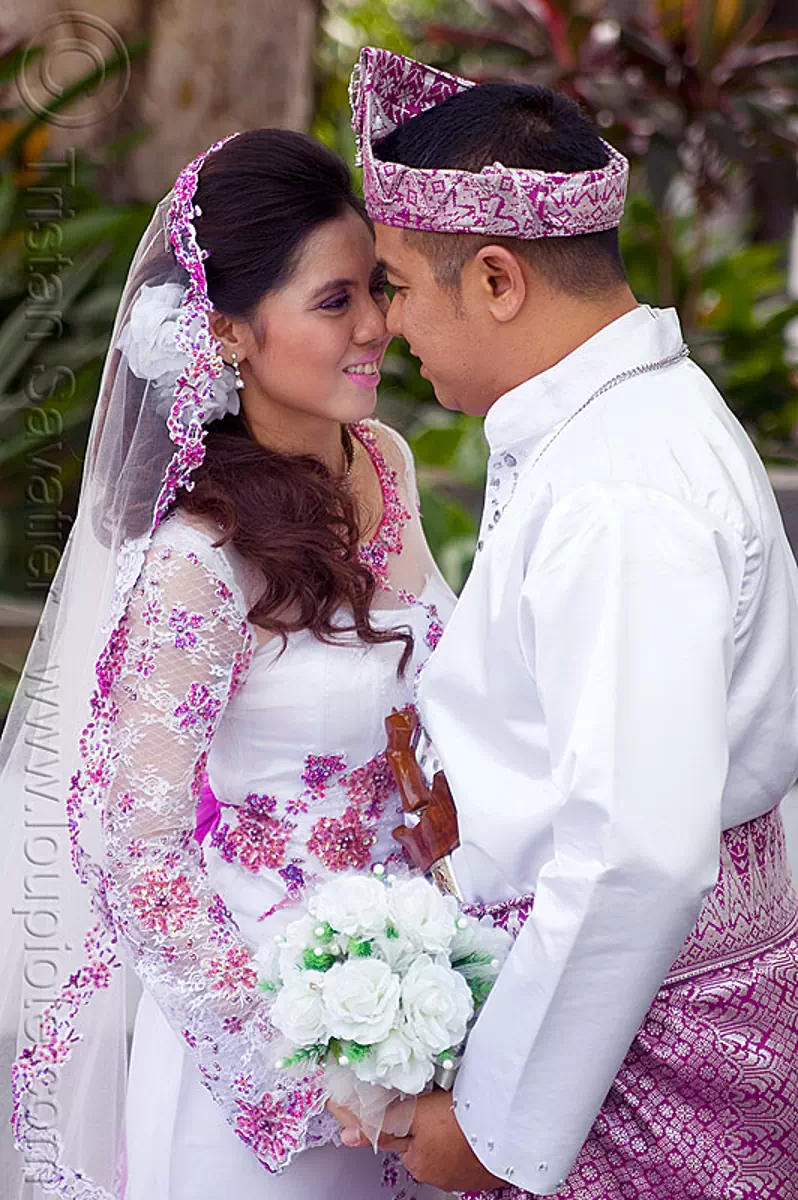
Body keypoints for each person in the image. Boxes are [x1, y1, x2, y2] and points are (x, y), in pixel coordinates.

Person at [338, 47, 798, 1199]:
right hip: (629, 1005)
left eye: (396, 283)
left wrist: (495, 1130)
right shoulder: (608, 428)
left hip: (644, 1046)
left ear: (497, 280)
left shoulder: (618, 488)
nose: (387, 326)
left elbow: (632, 856)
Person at [1, 127, 454, 1200]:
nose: (377, 327)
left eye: (377, 292)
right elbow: (137, 849)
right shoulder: (198, 557)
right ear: (230, 332)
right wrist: (296, 1069)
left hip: (427, 1016)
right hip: (264, 1059)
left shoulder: (382, 461)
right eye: (335, 302)